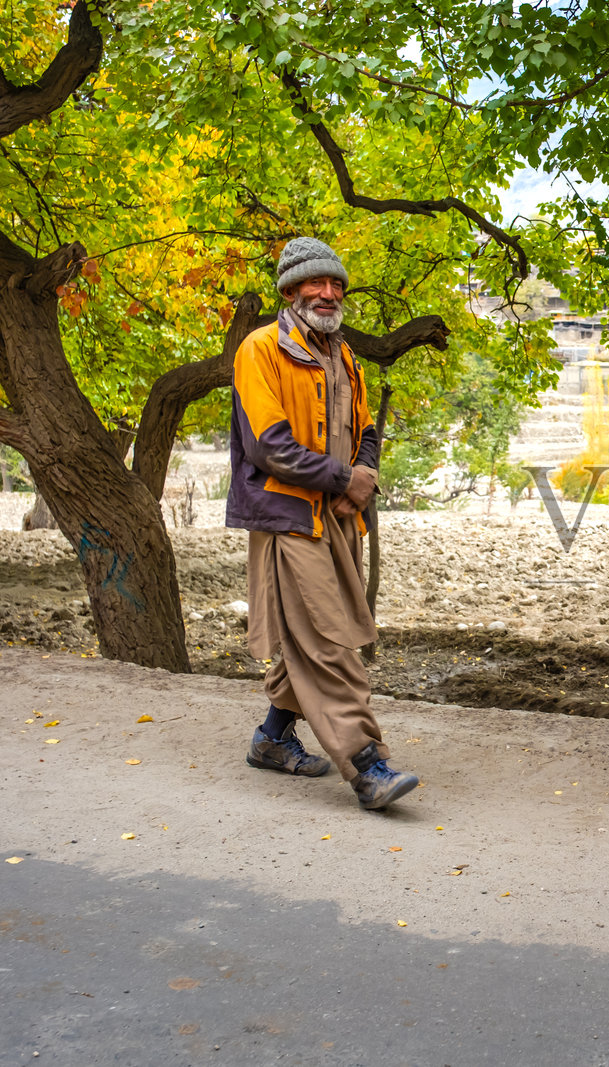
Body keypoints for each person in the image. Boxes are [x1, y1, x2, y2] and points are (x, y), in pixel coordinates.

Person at [226, 237, 419, 810]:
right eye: (316, 283)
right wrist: (342, 481)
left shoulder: (343, 355)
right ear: (290, 290)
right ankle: (367, 765)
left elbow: (367, 433)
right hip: (290, 519)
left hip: (337, 517)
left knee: (307, 635)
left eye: (336, 284)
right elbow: (269, 447)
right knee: (328, 638)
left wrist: (361, 476)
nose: (328, 293)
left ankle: (272, 739)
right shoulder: (260, 349)